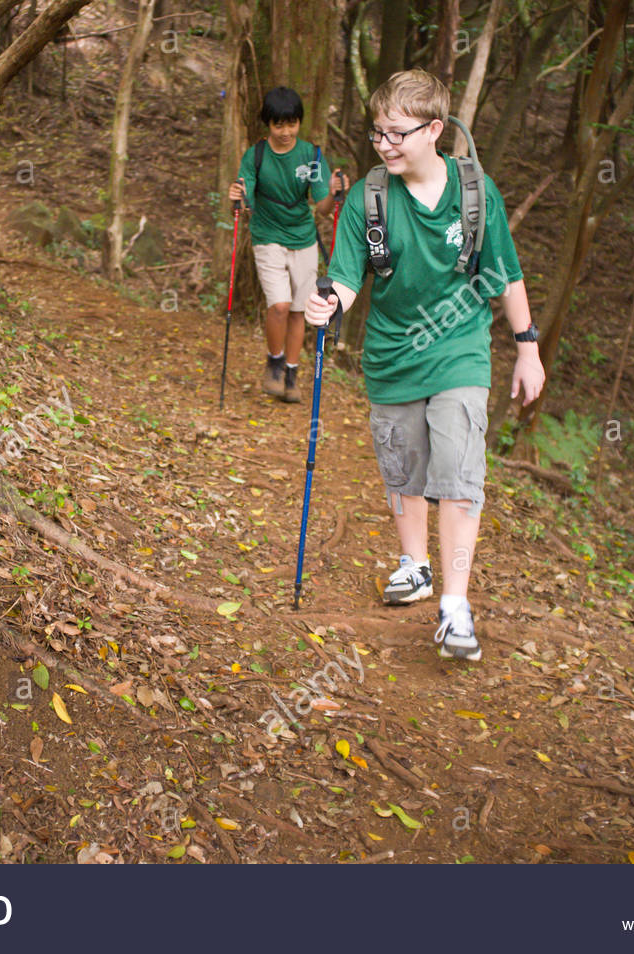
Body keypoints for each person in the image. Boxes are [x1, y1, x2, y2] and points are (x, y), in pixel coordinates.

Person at [304, 69, 545, 663]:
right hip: (390, 353)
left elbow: (505, 272)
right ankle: (415, 566)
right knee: (402, 467)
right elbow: (347, 273)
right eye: (376, 134)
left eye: (395, 134)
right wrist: (329, 301)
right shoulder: (369, 196)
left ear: (434, 130)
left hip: (461, 347)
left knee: (460, 470)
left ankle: (455, 606)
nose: (383, 145)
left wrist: (528, 346)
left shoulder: (476, 193)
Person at [229, 87, 348, 403]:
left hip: (304, 239)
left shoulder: (311, 155)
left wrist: (334, 191)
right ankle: (274, 363)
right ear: (268, 124)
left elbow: (321, 207)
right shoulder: (255, 155)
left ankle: (292, 375)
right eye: (278, 125)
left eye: (292, 124)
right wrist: (237, 198)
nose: (285, 132)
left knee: (299, 310)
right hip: (268, 238)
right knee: (279, 305)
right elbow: (245, 199)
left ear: (299, 123)